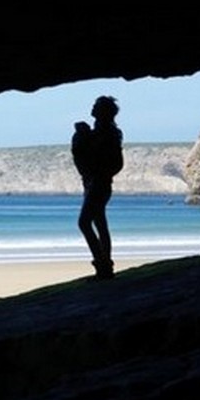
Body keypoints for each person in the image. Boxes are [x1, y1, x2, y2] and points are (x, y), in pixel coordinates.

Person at [71, 96, 123, 279]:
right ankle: (105, 264)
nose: (92, 108)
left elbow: (101, 158)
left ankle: (102, 263)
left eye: (96, 106)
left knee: (84, 223)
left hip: (98, 184)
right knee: (100, 223)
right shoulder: (105, 132)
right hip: (98, 183)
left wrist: (83, 136)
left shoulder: (106, 133)